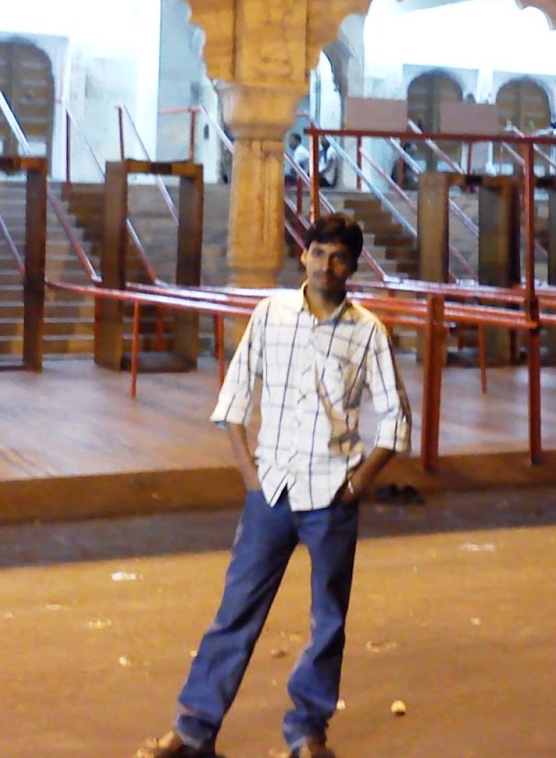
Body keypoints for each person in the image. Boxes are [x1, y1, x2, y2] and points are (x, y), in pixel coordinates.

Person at [136, 214, 411, 758]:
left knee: (327, 620)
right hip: (273, 491)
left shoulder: (368, 333)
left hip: (331, 495)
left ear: (352, 267)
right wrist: (250, 475)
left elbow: (396, 419)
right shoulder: (271, 315)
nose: (326, 266)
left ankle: (307, 733)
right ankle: (194, 731)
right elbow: (235, 395)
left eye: (339, 257)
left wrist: (357, 484)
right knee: (236, 612)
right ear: (304, 256)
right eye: (318, 253)